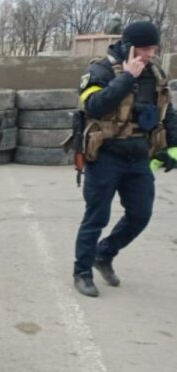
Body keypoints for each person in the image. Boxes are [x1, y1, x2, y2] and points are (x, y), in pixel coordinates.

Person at [73, 21, 177, 297]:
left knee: (140, 214)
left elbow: (168, 111)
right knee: (96, 217)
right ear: (130, 46)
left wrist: (172, 148)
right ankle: (82, 272)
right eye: (145, 48)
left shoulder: (155, 72)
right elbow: (93, 106)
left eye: (153, 47)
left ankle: (103, 254)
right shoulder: (101, 70)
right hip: (106, 155)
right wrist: (127, 77)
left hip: (138, 156)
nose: (150, 53)